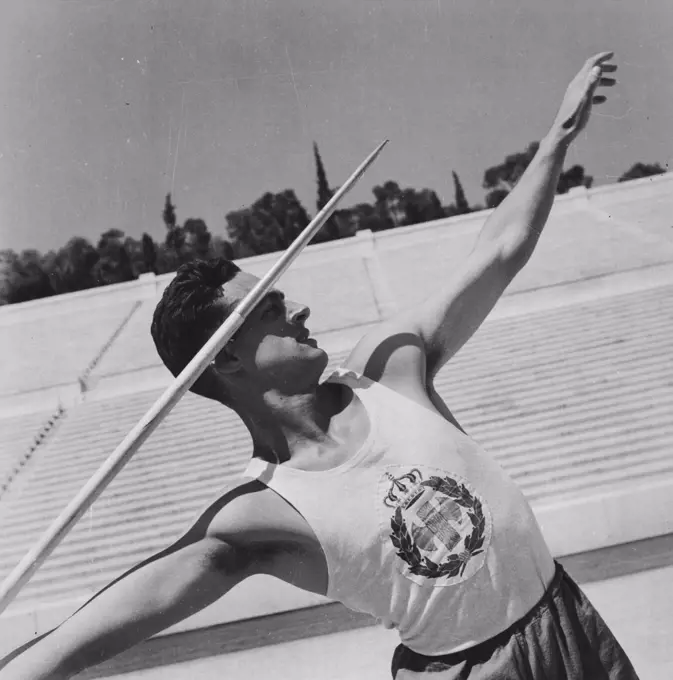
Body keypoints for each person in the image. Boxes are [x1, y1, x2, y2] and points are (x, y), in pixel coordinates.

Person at [2, 51, 639, 679]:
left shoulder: (390, 367)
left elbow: (498, 249)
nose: (302, 309)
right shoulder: (261, 513)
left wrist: (557, 137)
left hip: (568, 618)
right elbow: (78, 641)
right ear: (225, 357)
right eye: (273, 309)